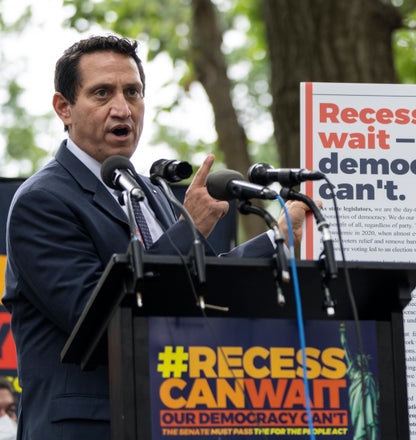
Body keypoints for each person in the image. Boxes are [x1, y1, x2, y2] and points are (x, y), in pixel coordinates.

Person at [2, 34, 312, 439]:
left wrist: (279, 238)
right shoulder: (42, 201)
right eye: (102, 93)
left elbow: (201, 289)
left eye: (133, 92)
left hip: (166, 419)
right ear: (64, 107)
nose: (122, 108)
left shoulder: (151, 190)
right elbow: (100, 319)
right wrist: (191, 230)